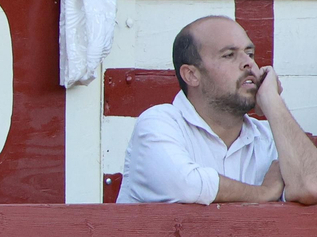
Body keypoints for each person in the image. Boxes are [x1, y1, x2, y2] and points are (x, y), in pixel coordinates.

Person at [116, 16, 317, 205]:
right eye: (229, 55)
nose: (249, 63)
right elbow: (186, 185)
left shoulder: (269, 139)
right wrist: (263, 193)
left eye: (250, 53)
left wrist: (273, 102)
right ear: (192, 75)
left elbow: (312, 186)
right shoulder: (159, 124)